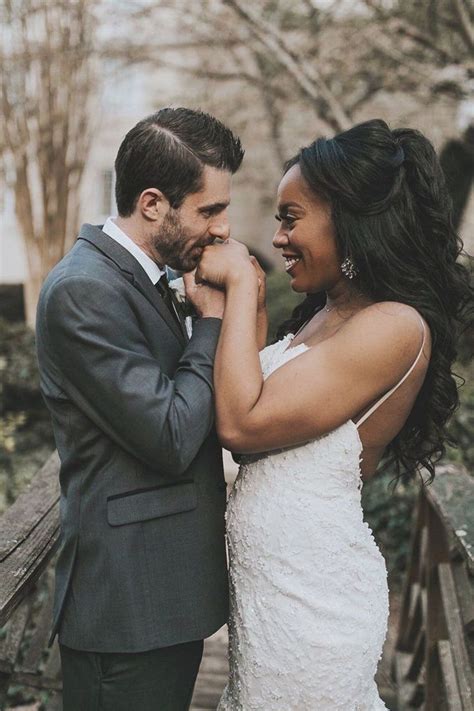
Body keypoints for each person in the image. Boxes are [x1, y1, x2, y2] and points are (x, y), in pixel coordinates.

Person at [187, 119, 472, 709]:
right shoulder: (325, 313)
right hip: (268, 605)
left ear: (349, 221)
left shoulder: (394, 325)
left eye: (291, 218)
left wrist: (242, 282)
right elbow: (253, 385)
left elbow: (242, 425)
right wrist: (247, 304)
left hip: (309, 610)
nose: (279, 236)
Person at [35, 107, 244, 711]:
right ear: (153, 203)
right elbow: (172, 434)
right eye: (209, 210)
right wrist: (210, 323)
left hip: (161, 595)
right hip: (126, 606)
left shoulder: (140, 276)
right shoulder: (84, 290)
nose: (223, 229)